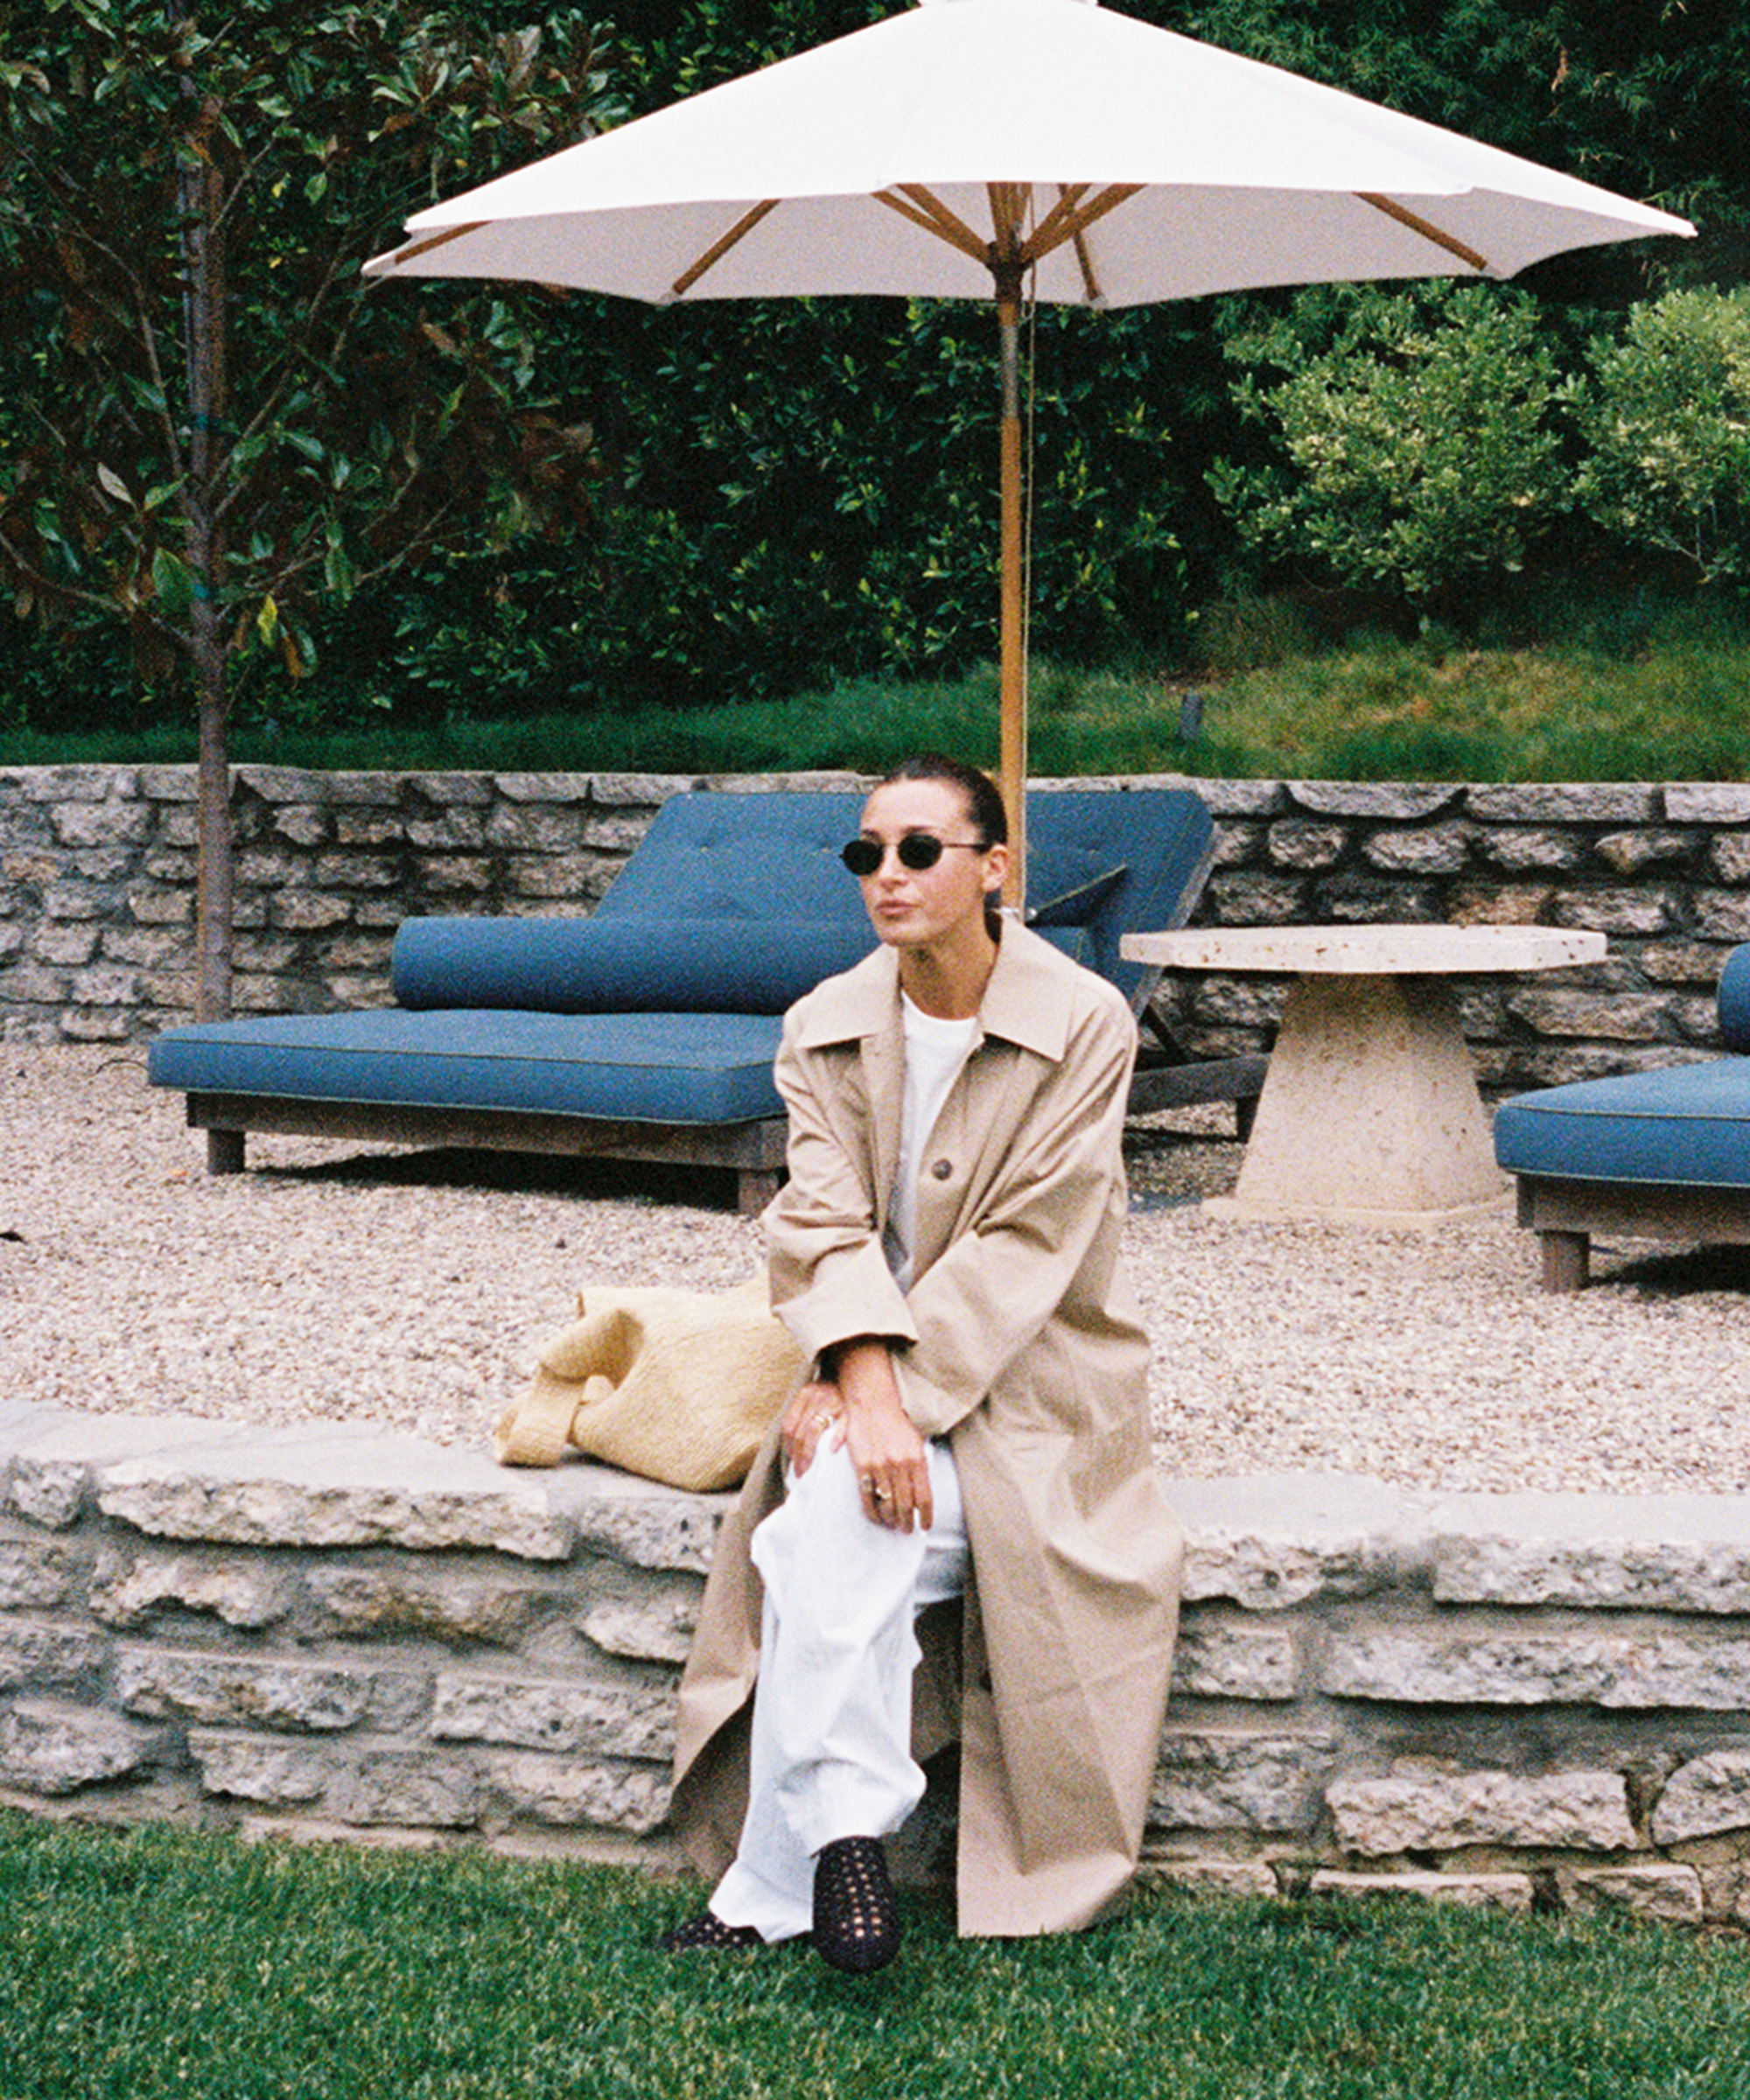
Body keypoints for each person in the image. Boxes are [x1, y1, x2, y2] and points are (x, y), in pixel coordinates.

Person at [662, 753, 1181, 1971]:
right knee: (843, 1502)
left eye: (917, 850)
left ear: (993, 869)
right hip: (871, 1385)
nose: (885, 876)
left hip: (1034, 1397)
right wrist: (862, 1382)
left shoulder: (1085, 1024)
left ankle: (771, 1886)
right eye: (866, 854)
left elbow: (1027, 1245)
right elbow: (818, 1222)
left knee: (826, 1522)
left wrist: (874, 1385)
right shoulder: (824, 1026)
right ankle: (849, 1833)